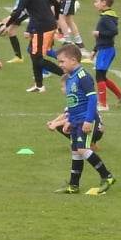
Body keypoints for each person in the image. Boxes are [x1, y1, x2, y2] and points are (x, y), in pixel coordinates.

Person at [47, 43, 115, 195]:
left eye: (62, 61)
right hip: (76, 120)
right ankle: (73, 185)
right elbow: (73, 103)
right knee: (75, 151)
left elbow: (92, 99)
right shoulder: (70, 78)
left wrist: (88, 120)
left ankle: (107, 176)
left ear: (73, 60)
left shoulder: (83, 76)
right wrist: (69, 120)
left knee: (83, 149)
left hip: (86, 119)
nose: (60, 65)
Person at [2, 0, 60, 93]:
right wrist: (55, 19)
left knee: (37, 58)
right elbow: (56, 3)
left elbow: (18, 11)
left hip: (42, 28)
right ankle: (39, 85)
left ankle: (66, 74)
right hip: (47, 26)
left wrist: (7, 25)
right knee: (34, 54)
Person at [91, 0, 121, 111]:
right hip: (104, 49)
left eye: (96, 1)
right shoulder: (106, 16)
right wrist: (94, 50)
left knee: (99, 77)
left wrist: (99, 33)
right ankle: (120, 96)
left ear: (104, 3)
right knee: (103, 77)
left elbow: (114, 31)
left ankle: (103, 104)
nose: (94, 4)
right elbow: (101, 39)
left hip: (106, 50)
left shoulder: (106, 18)